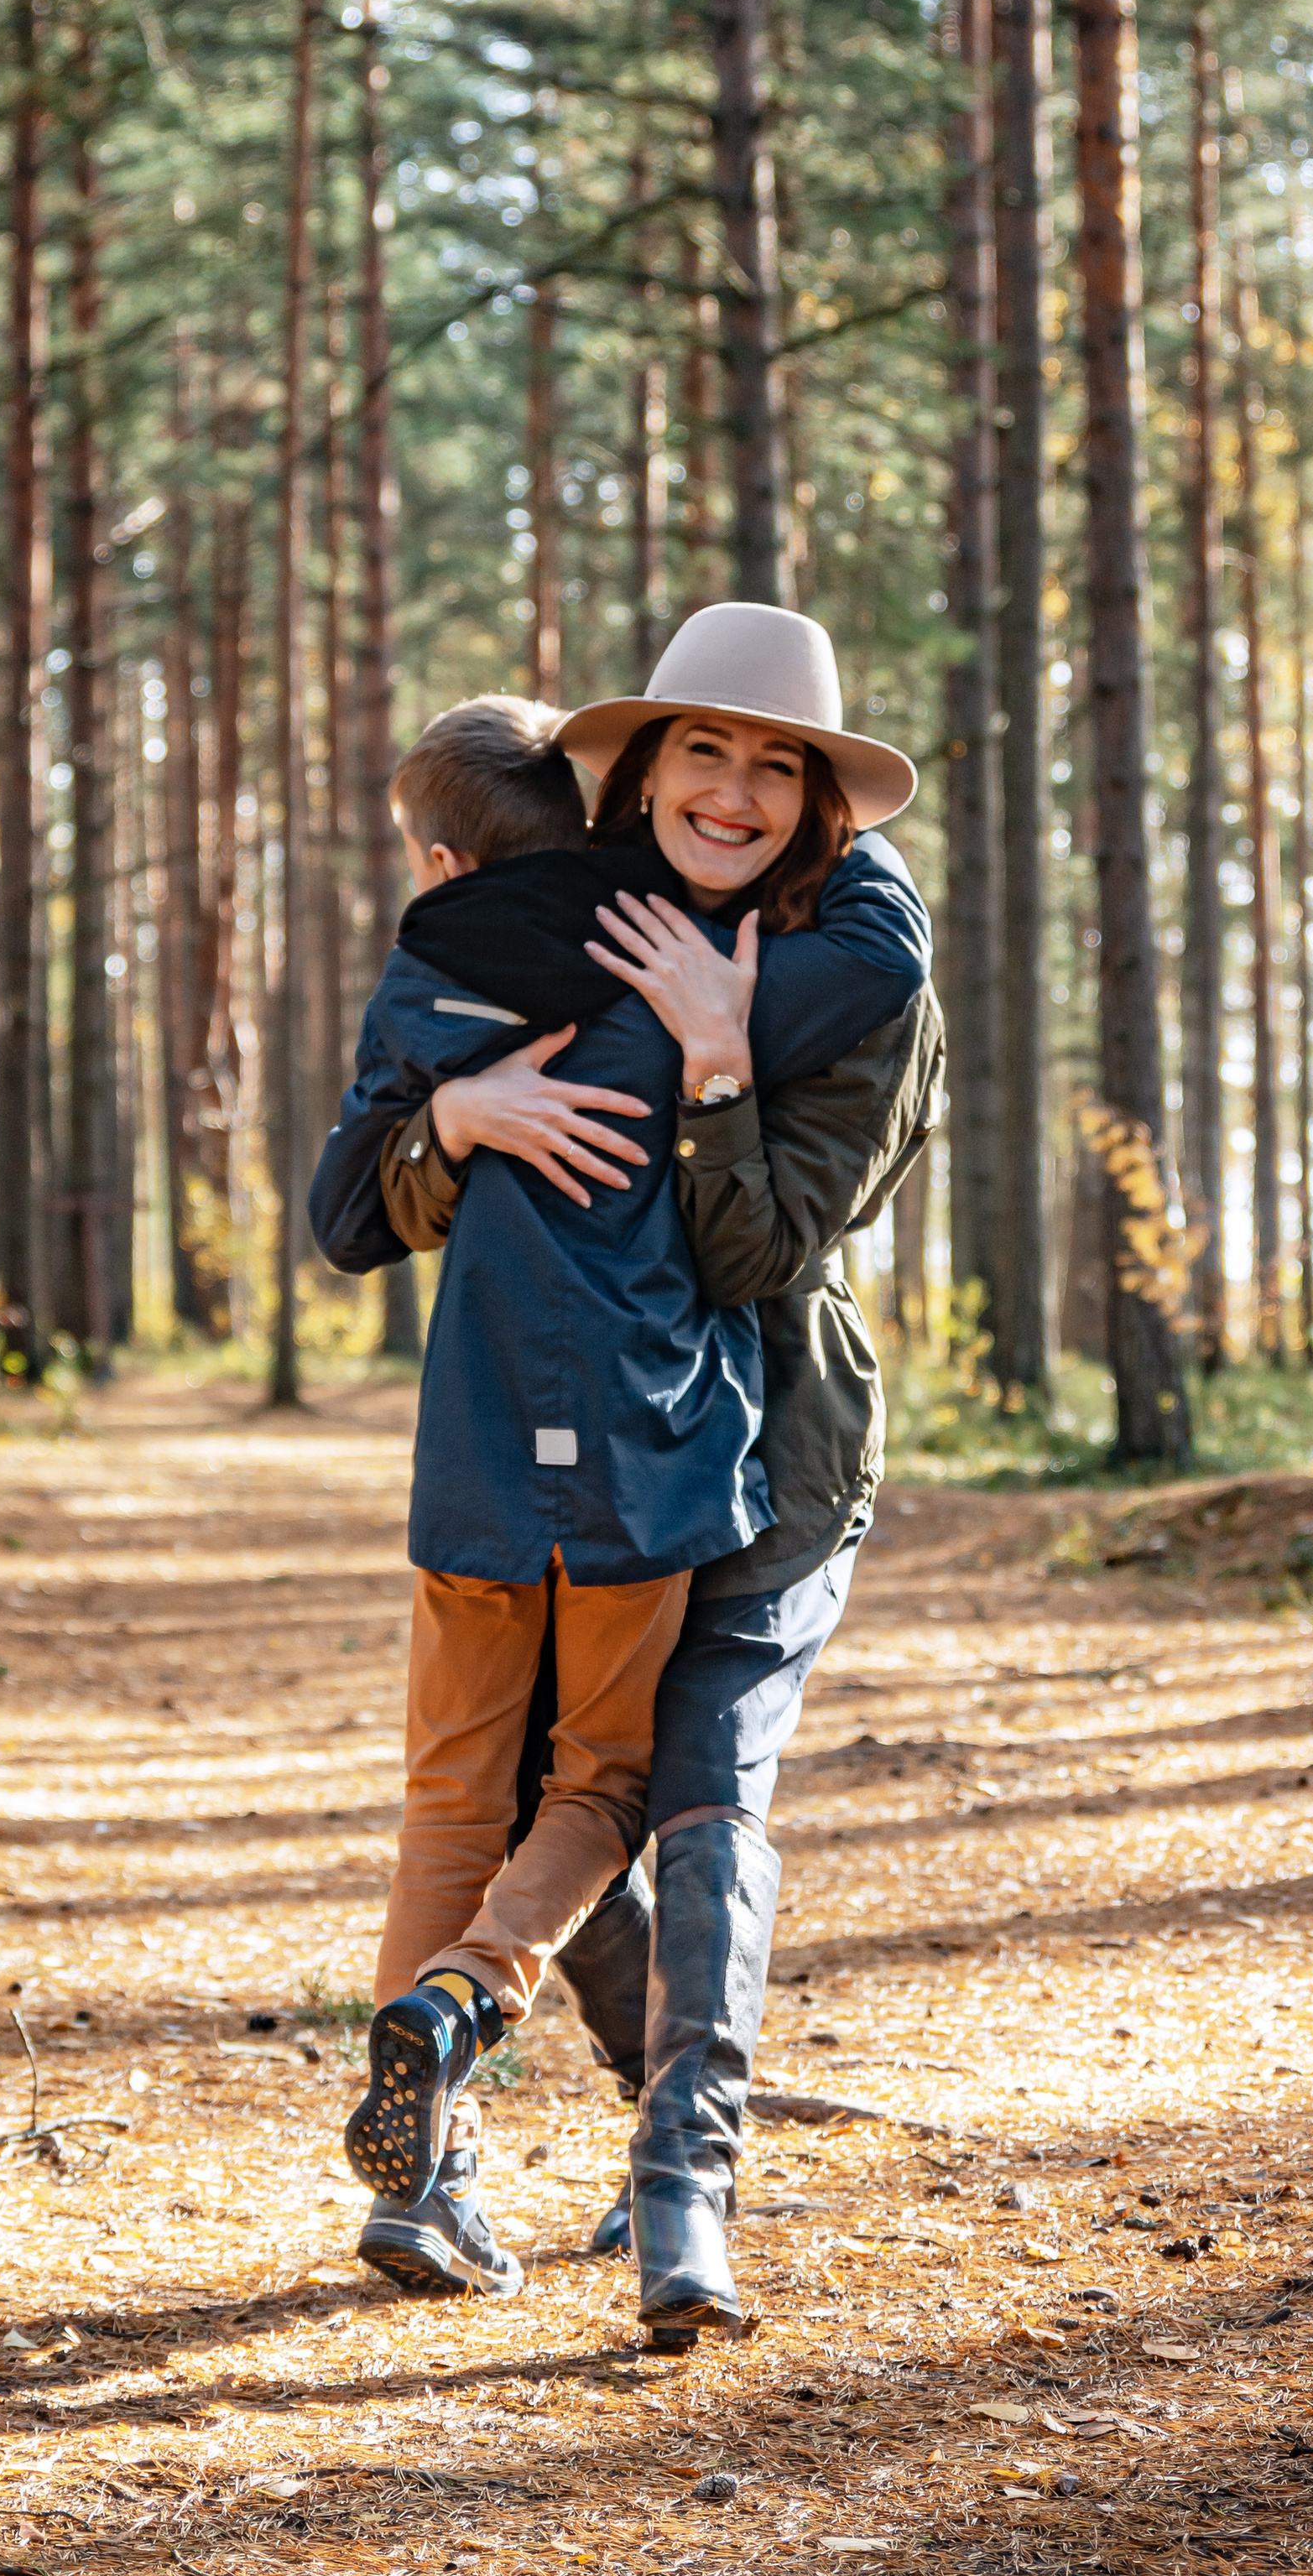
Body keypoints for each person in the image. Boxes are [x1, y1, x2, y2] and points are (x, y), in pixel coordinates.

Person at [358, 603, 943, 2342]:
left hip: (773, 1446)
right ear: (638, 771)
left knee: (692, 1789)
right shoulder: (587, 911)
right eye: (706, 749)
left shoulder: (855, 959)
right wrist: (451, 1127)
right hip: (590, 1442)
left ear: (825, 802)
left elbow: (759, 1252)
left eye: (780, 766)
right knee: (557, 1781)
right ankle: (505, 2117)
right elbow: (383, 1172)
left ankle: (688, 2189)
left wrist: (707, 1059)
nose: (738, 790)